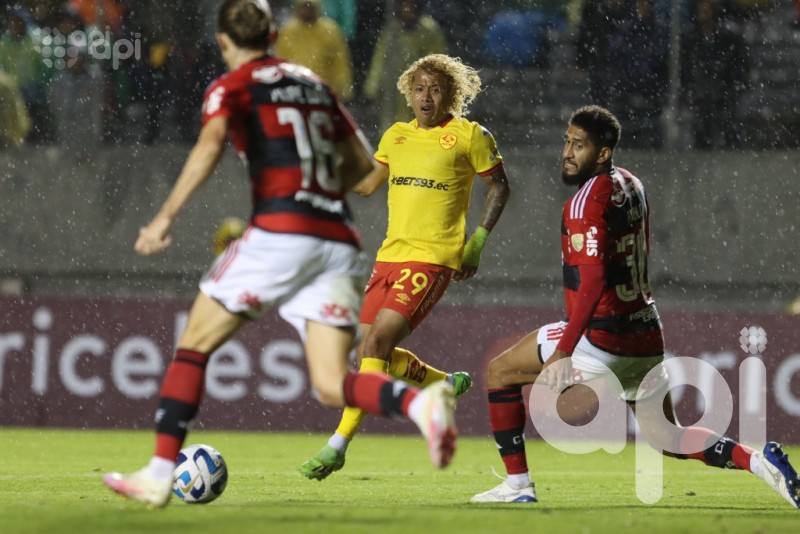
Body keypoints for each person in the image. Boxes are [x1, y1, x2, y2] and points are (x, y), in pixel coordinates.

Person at [102, 0, 457, 508]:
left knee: (194, 345)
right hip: (336, 238)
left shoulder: (231, 87)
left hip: (280, 229)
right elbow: (361, 171)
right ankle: (419, 405)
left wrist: (164, 218)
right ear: (273, 33)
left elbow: (208, 147)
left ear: (223, 42)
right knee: (333, 383)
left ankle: (160, 473)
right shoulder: (316, 86)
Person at [469, 105, 800, 508]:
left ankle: (518, 485)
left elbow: (592, 283)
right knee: (668, 437)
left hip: (602, 336)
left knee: (500, 372)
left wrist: (563, 352)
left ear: (603, 153)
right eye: (567, 142)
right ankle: (757, 459)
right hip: (643, 332)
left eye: (579, 145)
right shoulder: (632, 184)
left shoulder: (583, 204)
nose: (567, 153)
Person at [300, 53, 510, 481]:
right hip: (388, 257)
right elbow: (365, 184)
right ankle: (442, 385)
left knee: (375, 345)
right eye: (419, 89)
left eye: (435, 88)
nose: (426, 97)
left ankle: (337, 445)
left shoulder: (470, 136)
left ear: (452, 93)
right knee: (364, 349)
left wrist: (477, 242)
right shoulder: (395, 136)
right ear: (408, 95)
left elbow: (500, 187)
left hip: (432, 258)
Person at [363, 0, 447, 131]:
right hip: (394, 90)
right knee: (393, 130)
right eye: (404, 5)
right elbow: (379, 61)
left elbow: (439, 61)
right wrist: (373, 89)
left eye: (411, 5)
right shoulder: (391, 30)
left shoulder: (429, 30)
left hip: (422, 90)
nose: (407, 9)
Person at [680, 0, 749, 150]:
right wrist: (688, 91)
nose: (704, 11)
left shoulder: (730, 38)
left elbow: (739, 68)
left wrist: (733, 91)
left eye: (708, 7)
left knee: (729, 131)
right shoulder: (690, 39)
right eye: (701, 7)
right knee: (700, 132)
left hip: (723, 95)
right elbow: (685, 70)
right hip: (700, 97)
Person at [274, 0, 353, 101]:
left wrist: (343, 88)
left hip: (324, 92)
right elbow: (279, 61)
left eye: (310, 6)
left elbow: (340, 63)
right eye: (304, 6)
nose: (307, 11)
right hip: (293, 92)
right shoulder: (288, 31)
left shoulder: (330, 30)